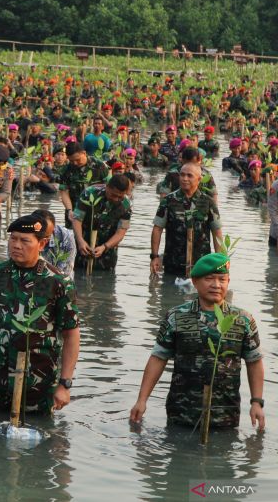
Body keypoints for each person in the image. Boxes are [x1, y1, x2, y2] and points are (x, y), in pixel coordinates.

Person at [0, 215, 80, 414]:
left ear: (42, 244)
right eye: (13, 239)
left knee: (40, 437)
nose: (16, 245)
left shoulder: (58, 282)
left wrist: (65, 384)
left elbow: (71, 335)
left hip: (38, 382)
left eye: (25, 241)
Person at [130, 253, 265, 430]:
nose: (216, 285)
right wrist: (142, 400)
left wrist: (256, 402)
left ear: (228, 281)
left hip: (225, 413)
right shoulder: (176, 317)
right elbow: (158, 358)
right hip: (181, 412)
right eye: (209, 279)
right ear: (194, 281)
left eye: (222, 279)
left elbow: (254, 361)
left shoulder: (242, 320)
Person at [151, 164, 222, 277]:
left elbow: (217, 232)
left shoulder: (208, 202)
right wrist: (154, 257)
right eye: (182, 175)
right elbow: (157, 229)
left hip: (201, 264)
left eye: (189, 176)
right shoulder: (168, 201)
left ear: (199, 179)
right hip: (173, 263)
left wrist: (220, 261)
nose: (185, 179)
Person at [72, 174, 132, 272]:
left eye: (120, 197)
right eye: (113, 195)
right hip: (83, 245)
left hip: (107, 249)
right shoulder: (89, 194)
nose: (116, 199)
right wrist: (80, 241)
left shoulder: (126, 204)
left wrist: (105, 247)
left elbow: (121, 231)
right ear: (107, 187)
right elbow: (77, 219)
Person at [59, 141, 109, 227]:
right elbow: (64, 192)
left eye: (78, 160)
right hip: (74, 212)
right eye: (71, 161)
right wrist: (69, 210)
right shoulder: (66, 169)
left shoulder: (99, 166)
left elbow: (109, 188)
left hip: (96, 211)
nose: (75, 163)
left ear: (84, 153)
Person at [34, 209, 76, 280]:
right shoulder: (25, 236)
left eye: (45, 232)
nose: (41, 236)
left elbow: (64, 273)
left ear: (53, 228)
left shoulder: (66, 237)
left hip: (61, 280)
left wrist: (43, 262)